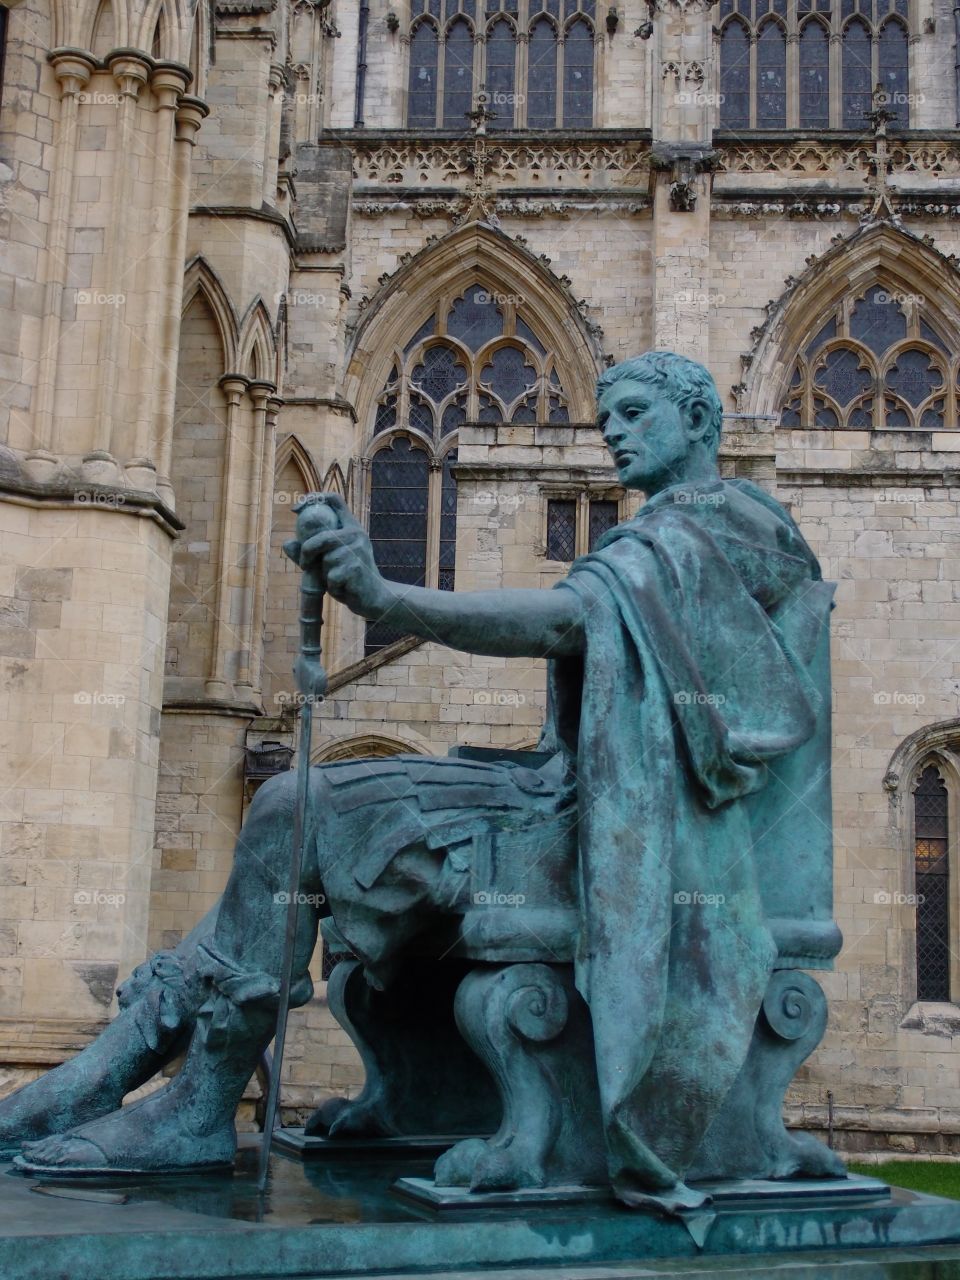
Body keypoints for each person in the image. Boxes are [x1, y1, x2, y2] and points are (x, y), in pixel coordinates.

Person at [0, 352, 836, 1210]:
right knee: (296, 804)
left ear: (697, 421)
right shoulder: (668, 536)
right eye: (605, 419)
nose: (612, 434)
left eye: (632, 414)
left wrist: (387, 599)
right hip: (581, 803)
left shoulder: (724, 530)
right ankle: (127, 1066)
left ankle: (192, 1103)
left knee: (295, 803)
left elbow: (565, 619)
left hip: (632, 832)